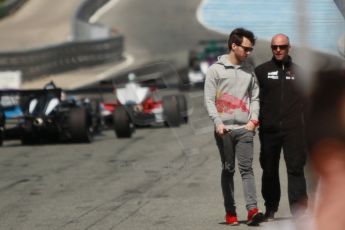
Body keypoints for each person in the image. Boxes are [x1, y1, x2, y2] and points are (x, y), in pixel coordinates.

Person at [204, 27, 263, 226]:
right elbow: (209, 100)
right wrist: (218, 123)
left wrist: (253, 120)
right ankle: (230, 212)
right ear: (234, 45)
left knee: (247, 170)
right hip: (224, 130)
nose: (248, 53)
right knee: (228, 169)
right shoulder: (215, 70)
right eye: (246, 49)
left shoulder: (249, 70)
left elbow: (255, 97)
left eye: (251, 49)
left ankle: (253, 210)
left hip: (245, 129)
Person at [255, 34, 308, 221]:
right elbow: (254, 100)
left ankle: (300, 212)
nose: (278, 50)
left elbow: (307, 103)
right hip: (269, 131)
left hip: (294, 132)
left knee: (295, 169)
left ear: (289, 48)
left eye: (282, 46)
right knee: (269, 170)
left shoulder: (300, 72)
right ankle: (270, 209)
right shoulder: (261, 71)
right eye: (274, 47)